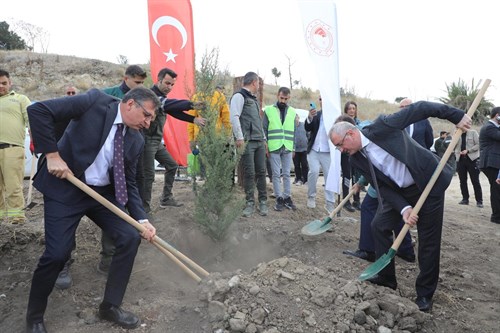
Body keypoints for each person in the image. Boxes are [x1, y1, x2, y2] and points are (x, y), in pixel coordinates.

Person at [26, 87, 160, 332]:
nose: (149, 123)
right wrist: (52, 154)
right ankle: (34, 317)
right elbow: (38, 110)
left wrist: (141, 218)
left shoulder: (136, 139)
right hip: (66, 186)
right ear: (130, 104)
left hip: (102, 195)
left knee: (130, 237)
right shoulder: (95, 102)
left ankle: (110, 306)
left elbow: (128, 181)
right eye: (147, 115)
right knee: (57, 254)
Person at [329, 101, 471, 312]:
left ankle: (424, 294)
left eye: (340, 144)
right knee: (379, 225)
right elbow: (383, 188)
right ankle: (387, 278)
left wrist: (455, 115)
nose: (341, 150)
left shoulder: (382, 126)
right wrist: (404, 208)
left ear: (350, 134)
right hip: (400, 192)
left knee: (428, 240)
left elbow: (420, 108)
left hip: (427, 181)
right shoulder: (355, 159)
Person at [343, 100, 434, 264]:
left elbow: (426, 144)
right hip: (389, 181)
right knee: (394, 213)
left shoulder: (378, 127)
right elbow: (371, 162)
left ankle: (374, 250)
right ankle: (404, 251)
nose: (403, 110)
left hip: (410, 177)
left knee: (378, 210)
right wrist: (362, 182)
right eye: (401, 107)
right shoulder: (362, 137)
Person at [139, 67, 205, 211]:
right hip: (147, 141)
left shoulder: (162, 98)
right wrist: (191, 105)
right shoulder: (151, 96)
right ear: (159, 80)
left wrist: (193, 119)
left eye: (172, 85)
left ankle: (166, 198)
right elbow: (169, 105)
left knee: (172, 165)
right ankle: (144, 210)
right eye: (167, 83)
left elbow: (172, 110)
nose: (170, 87)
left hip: (156, 142)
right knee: (148, 176)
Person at [230, 71, 268, 217]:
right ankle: (250, 202)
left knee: (261, 172)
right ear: (254, 82)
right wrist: (239, 137)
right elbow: (234, 117)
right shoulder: (239, 96)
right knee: (250, 173)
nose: (259, 85)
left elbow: (257, 121)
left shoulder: (253, 99)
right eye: (258, 82)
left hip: (258, 141)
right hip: (247, 141)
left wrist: (264, 139)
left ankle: (263, 202)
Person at [0, 69, 30, 224]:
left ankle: (16, 220)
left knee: (13, 187)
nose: (1, 86)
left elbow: (31, 119)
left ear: (9, 82)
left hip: (13, 148)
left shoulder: (20, 99)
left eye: (4, 83)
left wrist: (35, 139)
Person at [263, 87, 297, 211]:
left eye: (286, 99)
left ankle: (287, 197)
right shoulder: (268, 110)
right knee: (276, 174)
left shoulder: (293, 112)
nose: (283, 101)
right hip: (274, 147)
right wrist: (265, 144)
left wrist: (294, 147)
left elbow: (295, 131)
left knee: (287, 174)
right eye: (281, 98)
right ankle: (279, 198)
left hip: (287, 146)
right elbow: (264, 129)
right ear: (277, 96)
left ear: (289, 98)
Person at [187, 84, 232, 178]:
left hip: (201, 135)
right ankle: (212, 181)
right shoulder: (220, 96)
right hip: (216, 135)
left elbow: (191, 120)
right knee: (215, 162)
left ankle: (205, 179)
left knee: (204, 159)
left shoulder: (196, 97)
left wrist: (191, 139)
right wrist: (228, 134)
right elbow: (226, 118)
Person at [304, 96, 335, 213]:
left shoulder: (335, 116)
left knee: (329, 177)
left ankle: (330, 202)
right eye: (320, 99)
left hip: (328, 152)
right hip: (314, 150)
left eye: (324, 98)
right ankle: (311, 197)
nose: (322, 101)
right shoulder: (316, 114)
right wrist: (310, 117)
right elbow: (307, 128)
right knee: (314, 171)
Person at [478, 107, 500, 224]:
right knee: (496, 188)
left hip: (494, 163)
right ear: (497, 115)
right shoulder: (489, 127)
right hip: (490, 163)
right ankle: (496, 216)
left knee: (497, 189)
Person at [341, 101, 361, 212]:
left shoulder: (359, 122)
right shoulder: (342, 123)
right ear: (346, 110)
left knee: (356, 177)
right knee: (347, 176)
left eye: (354, 108)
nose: (352, 111)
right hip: (346, 153)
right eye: (349, 109)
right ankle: (345, 201)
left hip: (357, 153)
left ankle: (357, 200)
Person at [455, 129, 483, 207]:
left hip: (472, 159)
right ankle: (465, 199)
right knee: (462, 181)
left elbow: (478, 144)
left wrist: (468, 150)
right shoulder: (457, 133)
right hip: (460, 160)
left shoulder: (473, 132)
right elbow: (452, 145)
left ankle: (479, 201)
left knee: (475, 181)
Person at [293, 118, 309, 186]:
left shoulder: (303, 125)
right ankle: (298, 179)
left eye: (296, 118)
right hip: (295, 150)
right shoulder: (291, 126)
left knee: (304, 165)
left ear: (298, 118)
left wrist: (308, 143)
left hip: (304, 149)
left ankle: (305, 180)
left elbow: (308, 134)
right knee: (296, 165)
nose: (295, 119)